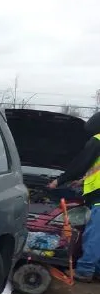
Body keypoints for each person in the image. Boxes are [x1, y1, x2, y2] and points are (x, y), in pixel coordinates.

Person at [48, 112, 100, 282]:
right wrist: (82, 181)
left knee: (94, 233)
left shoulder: (98, 140)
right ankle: (97, 269)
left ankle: (85, 269)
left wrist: (59, 180)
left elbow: (80, 164)